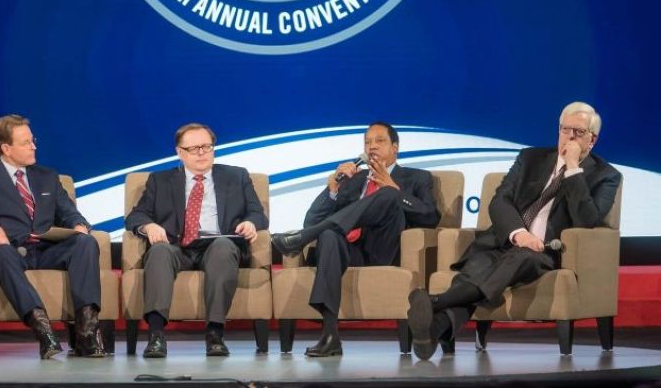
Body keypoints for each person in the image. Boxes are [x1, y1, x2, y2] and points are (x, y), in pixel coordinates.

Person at [407, 102, 623, 360]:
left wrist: (574, 168)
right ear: (558, 130)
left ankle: (435, 302)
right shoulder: (530, 159)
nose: (570, 137)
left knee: (520, 257)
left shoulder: (606, 176)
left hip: (544, 252)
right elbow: (500, 201)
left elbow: (587, 221)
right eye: (566, 130)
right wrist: (519, 234)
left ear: (592, 139)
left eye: (579, 132)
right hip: (504, 241)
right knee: (479, 267)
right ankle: (435, 328)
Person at [271, 121, 439, 356]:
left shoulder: (416, 178)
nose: (372, 147)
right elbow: (311, 219)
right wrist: (332, 187)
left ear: (395, 147)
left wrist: (394, 190)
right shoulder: (354, 180)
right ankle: (331, 336)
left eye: (379, 141)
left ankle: (302, 239)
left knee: (389, 195)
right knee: (328, 235)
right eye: (367, 142)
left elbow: (431, 217)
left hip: (384, 249)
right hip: (347, 252)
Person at [0, 114, 104, 359]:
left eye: (33, 140)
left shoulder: (47, 176)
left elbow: (68, 212)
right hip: (13, 250)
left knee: (85, 242)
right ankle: (44, 332)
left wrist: (79, 225)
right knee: (0, 252)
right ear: (6, 148)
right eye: (26, 142)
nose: (34, 146)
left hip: (47, 249)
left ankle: (87, 333)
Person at [124, 123, 269, 358]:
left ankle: (215, 334)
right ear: (180, 153)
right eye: (194, 149)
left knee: (222, 246)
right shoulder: (159, 181)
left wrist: (251, 223)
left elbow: (257, 213)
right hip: (177, 247)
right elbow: (135, 216)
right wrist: (149, 226)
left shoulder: (237, 176)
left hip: (219, 244)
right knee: (159, 251)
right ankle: (157, 335)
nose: (202, 153)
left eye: (206, 147)